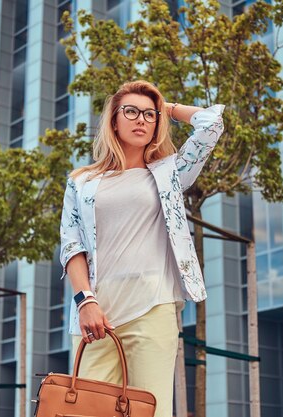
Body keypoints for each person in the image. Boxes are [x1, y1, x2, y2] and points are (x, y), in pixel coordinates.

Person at [59, 80, 224, 417]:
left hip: (152, 306)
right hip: (95, 314)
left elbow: (211, 124)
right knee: (86, 410)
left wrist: (167, 108)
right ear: (113, 120)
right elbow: (71, 245)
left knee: (149, 410)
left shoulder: (170, 173)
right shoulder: (81, 181)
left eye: (149, 115)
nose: (141, 120)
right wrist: (85, 301)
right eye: (131, 111)